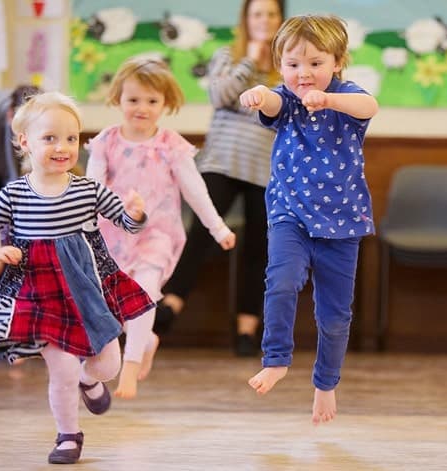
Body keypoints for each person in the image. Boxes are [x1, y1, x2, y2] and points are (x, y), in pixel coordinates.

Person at [0, 91, 153, 464]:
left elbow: (126, 222)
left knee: (107, 366)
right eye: (50, 138)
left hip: (88, 288)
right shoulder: (14, 194)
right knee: (62, 369)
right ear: (25, 142)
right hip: (40, 291)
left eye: (71, 139)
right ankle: (68, 435)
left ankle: (91, 380)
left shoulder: (87, 190)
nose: (62, 147)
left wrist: (135, 213)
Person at [239, 14, 379, 425]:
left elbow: (369, 105)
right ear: (281, 65)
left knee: (334, 316)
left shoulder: (348, 95)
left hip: (342, 222)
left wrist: (330, 99)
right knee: (281, 281)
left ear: (338, 62)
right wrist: (260, 94)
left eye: (316, 63)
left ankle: (326, 383)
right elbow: (273, 102)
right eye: (294, 64)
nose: (304, 74)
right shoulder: (285, 98)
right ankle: (276, 359)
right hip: (290, 214)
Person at [86, 57, 236, 399]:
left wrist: (217, 228)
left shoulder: (171, 146)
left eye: (152, 101)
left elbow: (195, 191)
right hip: (113, 236)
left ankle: (131, 368)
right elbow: (91, 190)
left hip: (157, 236)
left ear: (165, 103)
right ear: (118, 99)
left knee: (144, 294)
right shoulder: (106, 142)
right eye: (133, 99)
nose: (142, 108)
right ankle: (147, 339)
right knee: (115, 305)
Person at [159, 0, 284, 357]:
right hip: (222, 162)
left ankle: (247, 329)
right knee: (201, 233)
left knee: (259, 247)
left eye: (272, 14)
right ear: (246, 19)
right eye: (258, 13)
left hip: (266, 169)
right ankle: (170, 306)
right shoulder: (228, 55)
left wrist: (271, 63)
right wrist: (250, 61)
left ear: (280, 19)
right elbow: (219, 96)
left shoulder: (287, 63)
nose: (265, 20)